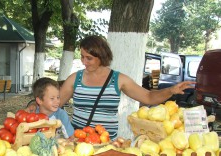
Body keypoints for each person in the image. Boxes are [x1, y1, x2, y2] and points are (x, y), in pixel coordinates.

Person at [28, 35, 195, 140]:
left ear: (102, 57)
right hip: (79, 141)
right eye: (82, 57)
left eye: (89, 58)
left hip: (107, 143)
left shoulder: (118, 79)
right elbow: (53, 105)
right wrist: (34, 105)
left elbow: (149, 97)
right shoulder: (75, 78)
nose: (84, 62)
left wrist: (171, 90)